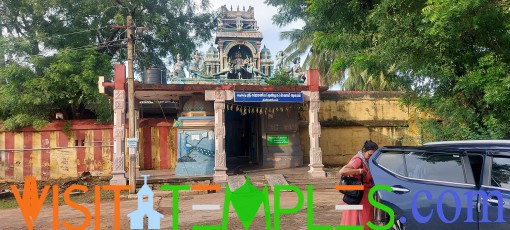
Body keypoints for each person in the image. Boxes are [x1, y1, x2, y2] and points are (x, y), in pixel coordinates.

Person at [339, 140, 379, 229]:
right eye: (370, 155)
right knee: (358, 221)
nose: (371, 157)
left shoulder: (367, 161)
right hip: (359, 197)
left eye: (374, 156)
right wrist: (359, 171)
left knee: (365, 220)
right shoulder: (358, 160)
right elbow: (342, 171)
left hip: (365, 197)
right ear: (364, 151)